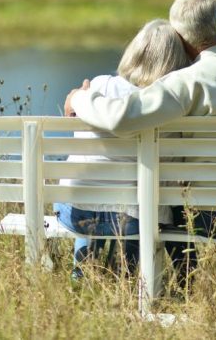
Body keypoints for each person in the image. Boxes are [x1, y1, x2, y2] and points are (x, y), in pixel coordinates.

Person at [65, 0, 216, 291]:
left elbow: (121, 117)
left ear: (179, 40)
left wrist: (80, 97)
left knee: (169, 211)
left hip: (213, 218)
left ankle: (185, 287)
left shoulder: (186, 81)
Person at [54, 19, 190, 279]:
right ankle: (125, 279)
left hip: (77, 213)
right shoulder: (170, 105)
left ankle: (82, 279)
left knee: (90, 191)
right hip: (136, 219)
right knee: (137, 207)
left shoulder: (99, 86)